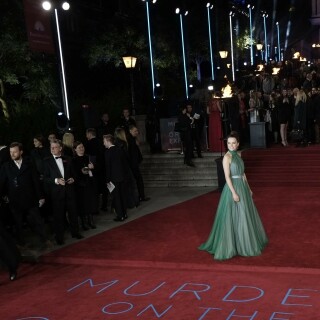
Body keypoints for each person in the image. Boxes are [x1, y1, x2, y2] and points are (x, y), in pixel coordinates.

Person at [199, 131, 268, 260]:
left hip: (242, 187)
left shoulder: (239, 155)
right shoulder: (227, 157)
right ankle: (233, 245)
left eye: (233, 143)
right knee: (235, 216)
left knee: (245, 215)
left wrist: (249, 188)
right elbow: (227, 177)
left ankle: (244, 243)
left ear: (237, 144)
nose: (230, 145)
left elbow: (243, 174)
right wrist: (234, 193)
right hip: (233, 188)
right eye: (228, 143)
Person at [0, 142, 52, 249]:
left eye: (15, 152)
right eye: (11, 152)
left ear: (21, 152)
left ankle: (45, 239)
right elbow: (2, 183)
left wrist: (41, 196)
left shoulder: (29, 164)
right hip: (15, 200)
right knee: (18, 224)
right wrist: (4, 196)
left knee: (37, 220)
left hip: (30, 198)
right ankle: (22, 244)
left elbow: (36, 181)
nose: (12, 154)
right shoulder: (6, 166)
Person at [43, 139, 83, 245]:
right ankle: (59, 237)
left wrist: (73, 179)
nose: (52, 149)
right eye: (51, 147)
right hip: (56, 193)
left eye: (55, 147)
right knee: (58, 216)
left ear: (60, 148)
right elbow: (45, 178)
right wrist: (56, 180)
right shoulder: (47, 161)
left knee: (73, 213)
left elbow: (75, 174)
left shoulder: (69, 159)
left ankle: (75, 233)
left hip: (69, 191)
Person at [103, 134, 129, 222]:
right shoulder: (120, 150)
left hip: (113, 179)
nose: (103, 144)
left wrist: (107, 180)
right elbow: (125, 164)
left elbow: (108, 167)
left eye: (104, 142)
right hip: (122, 177)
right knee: (122, 196)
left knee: (116, 197)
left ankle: (120, 215)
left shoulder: (107, 152)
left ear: (107, 141)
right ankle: (124, 214)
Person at [72, 141, 97, 230]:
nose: (81, 149)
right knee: (82, 204)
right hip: (80, 185)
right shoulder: (73, 160)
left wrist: (92, 168)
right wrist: (81, 172)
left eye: (82, 147)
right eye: (79, 147)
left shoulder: (87, 157)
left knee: (90, 202)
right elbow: (74, 173)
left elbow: (92, 171)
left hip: (89, 182)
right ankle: (83, 223)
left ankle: (91, 220)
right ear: (75, 149)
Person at [128, 125, 150, 201]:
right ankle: (140, 197)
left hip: (134, 163)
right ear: (130, 131)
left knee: (138, 180)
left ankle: (141, 196)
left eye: (137, 131)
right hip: (133, 164)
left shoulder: (133, 139)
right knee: (138, 180)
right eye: (135, 131)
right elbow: (132, 153)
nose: (137, 132)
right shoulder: (130, 140)